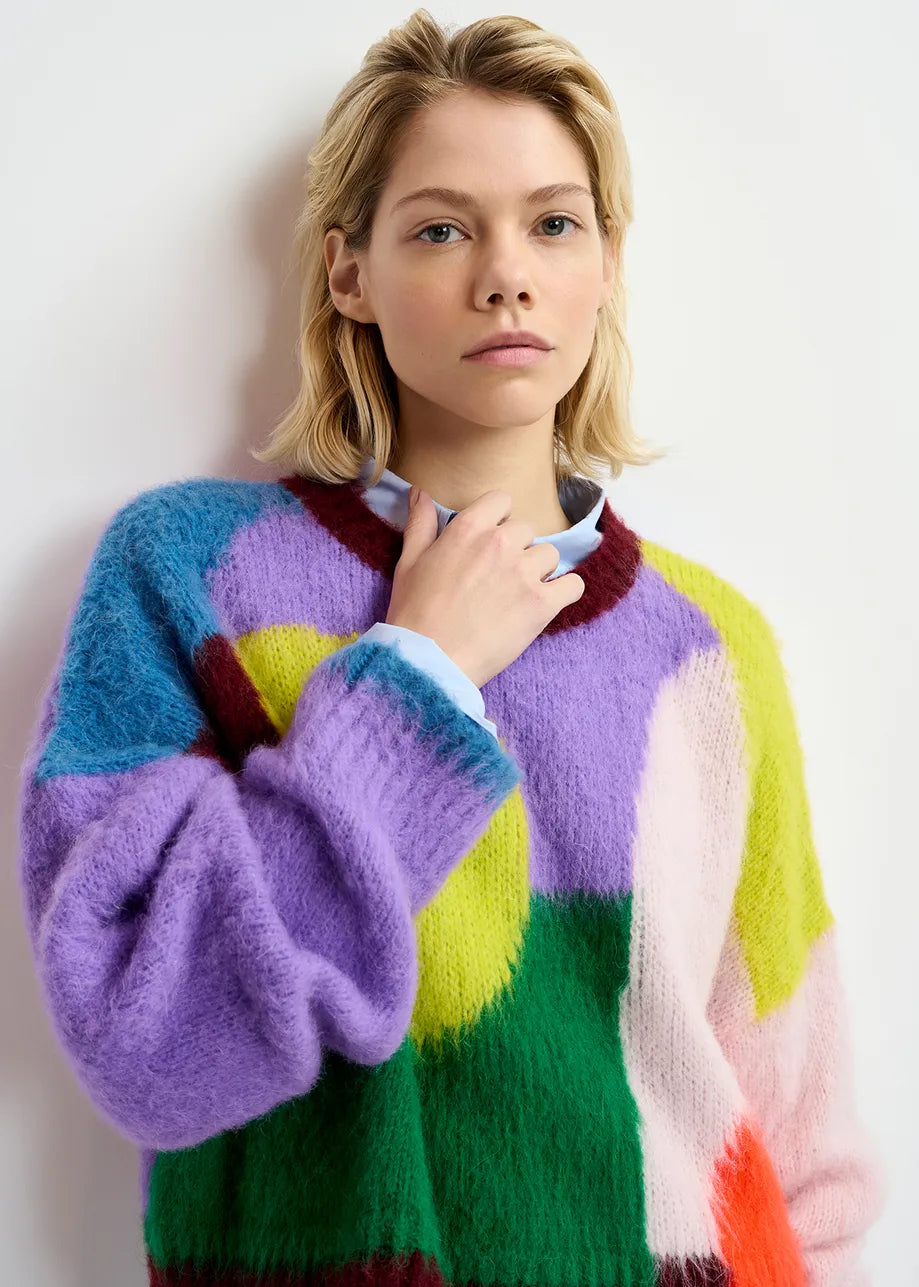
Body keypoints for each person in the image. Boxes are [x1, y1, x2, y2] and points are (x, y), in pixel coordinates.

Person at [17, 10, 885, 1287]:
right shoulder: (191, 574)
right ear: (346, 273)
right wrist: (413, 677)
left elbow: (800, 1141)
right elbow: (145, 1040)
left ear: (603, 266)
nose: (505, 274)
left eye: (553, 222)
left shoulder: (710, 648)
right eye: (439, 226)